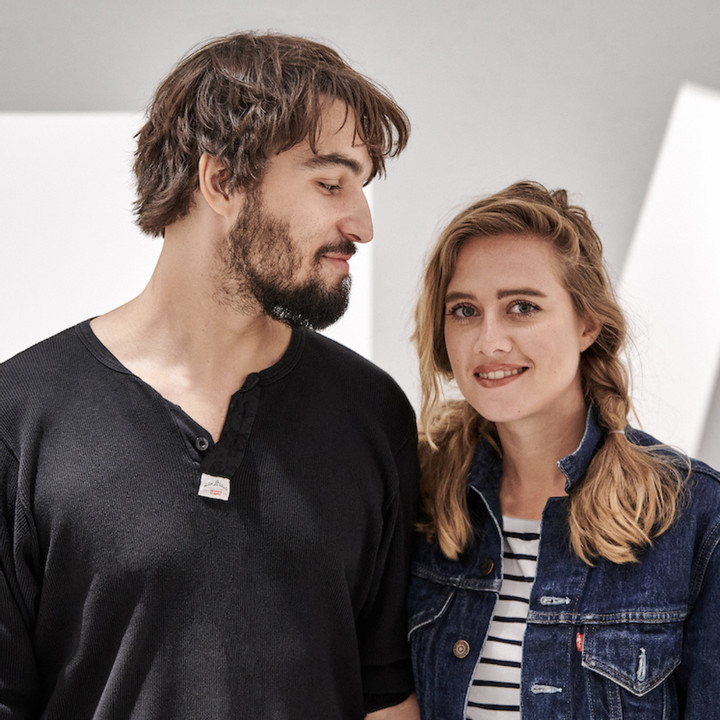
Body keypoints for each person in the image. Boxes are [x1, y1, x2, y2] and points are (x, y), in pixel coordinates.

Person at [0, 32, 421, 719]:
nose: (362, 224)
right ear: (222, 182)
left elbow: (387, 694)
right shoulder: (19, 420)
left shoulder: (372, 414)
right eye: (330, 183)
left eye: (361, 187)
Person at [408, 181, 720, 719]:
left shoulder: (694, 515)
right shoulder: (419, 491)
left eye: (522, 307)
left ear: (587, 324)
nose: (488, 341)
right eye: (464, 310)